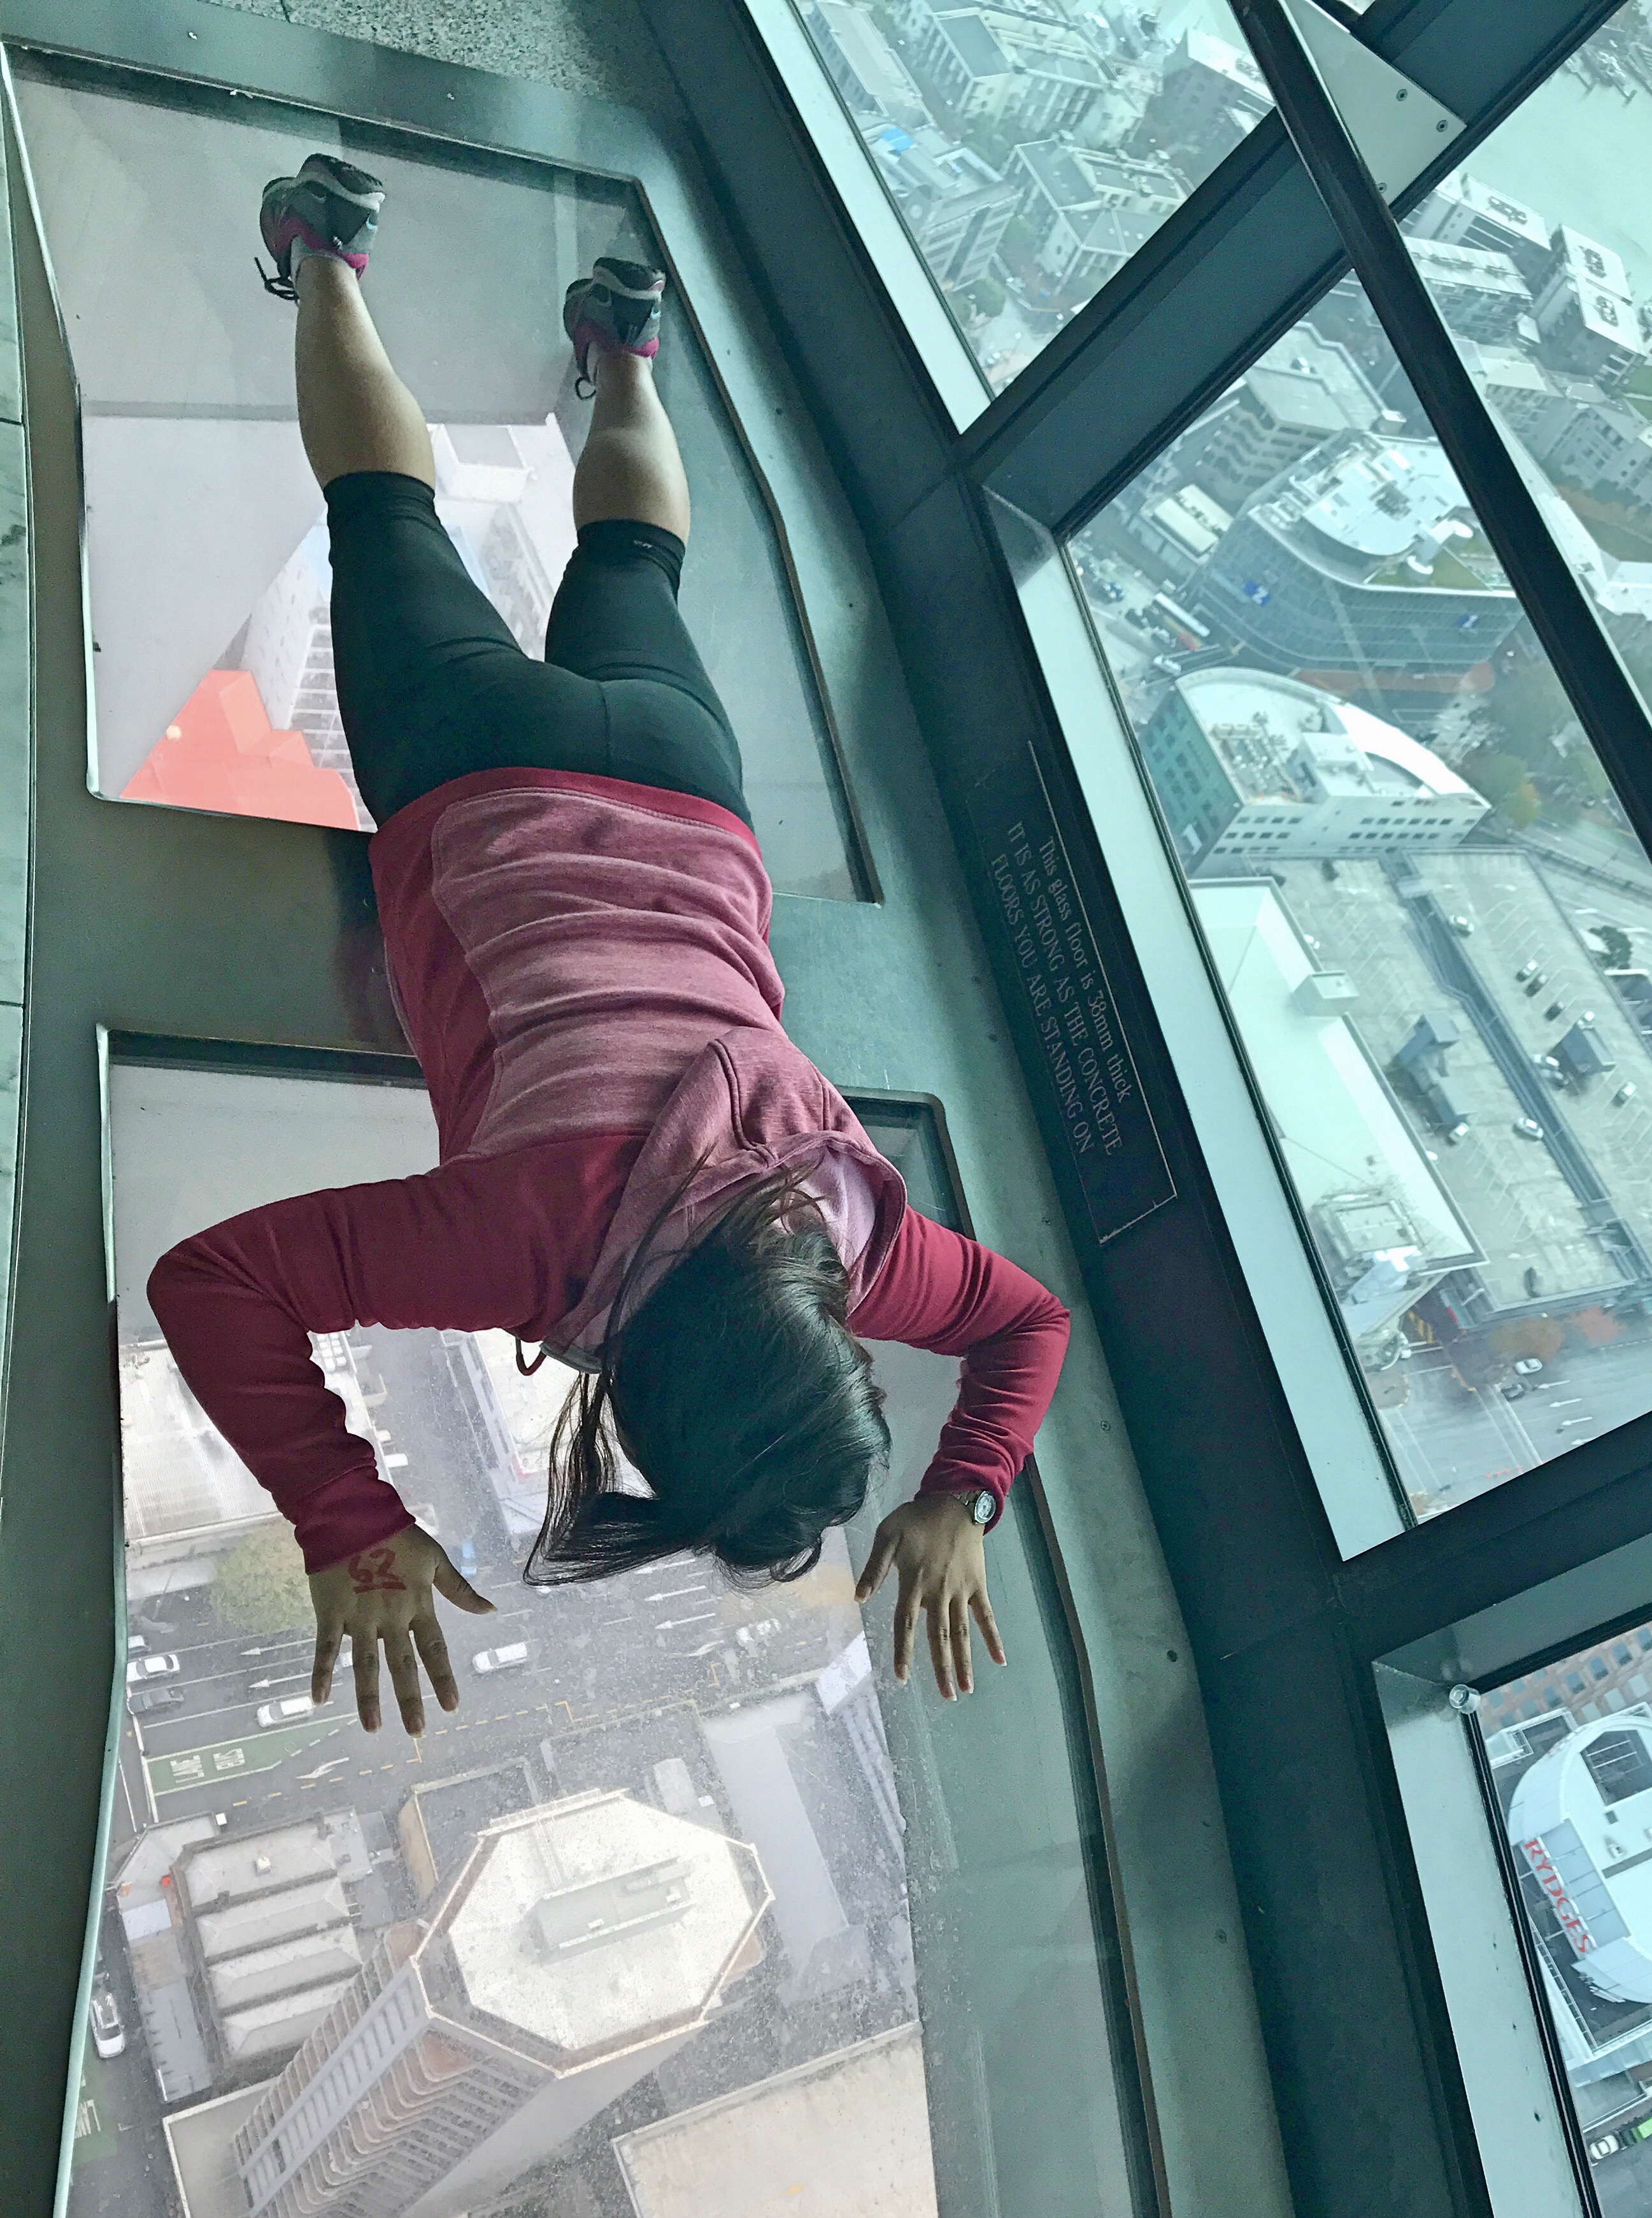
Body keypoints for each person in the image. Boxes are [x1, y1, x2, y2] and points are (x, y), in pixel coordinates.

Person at [149, 156, 1069, 1738]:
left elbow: (1025, 1323)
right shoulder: (531, 1244)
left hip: (686, 792)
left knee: (636, 563)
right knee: (380, 508)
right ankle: (324, 253)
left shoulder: (853, 1238)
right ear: (642, 1407)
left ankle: (626, 351)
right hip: (476, 770)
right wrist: (346, 1517)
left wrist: (969, 1487)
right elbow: (212, 1283)